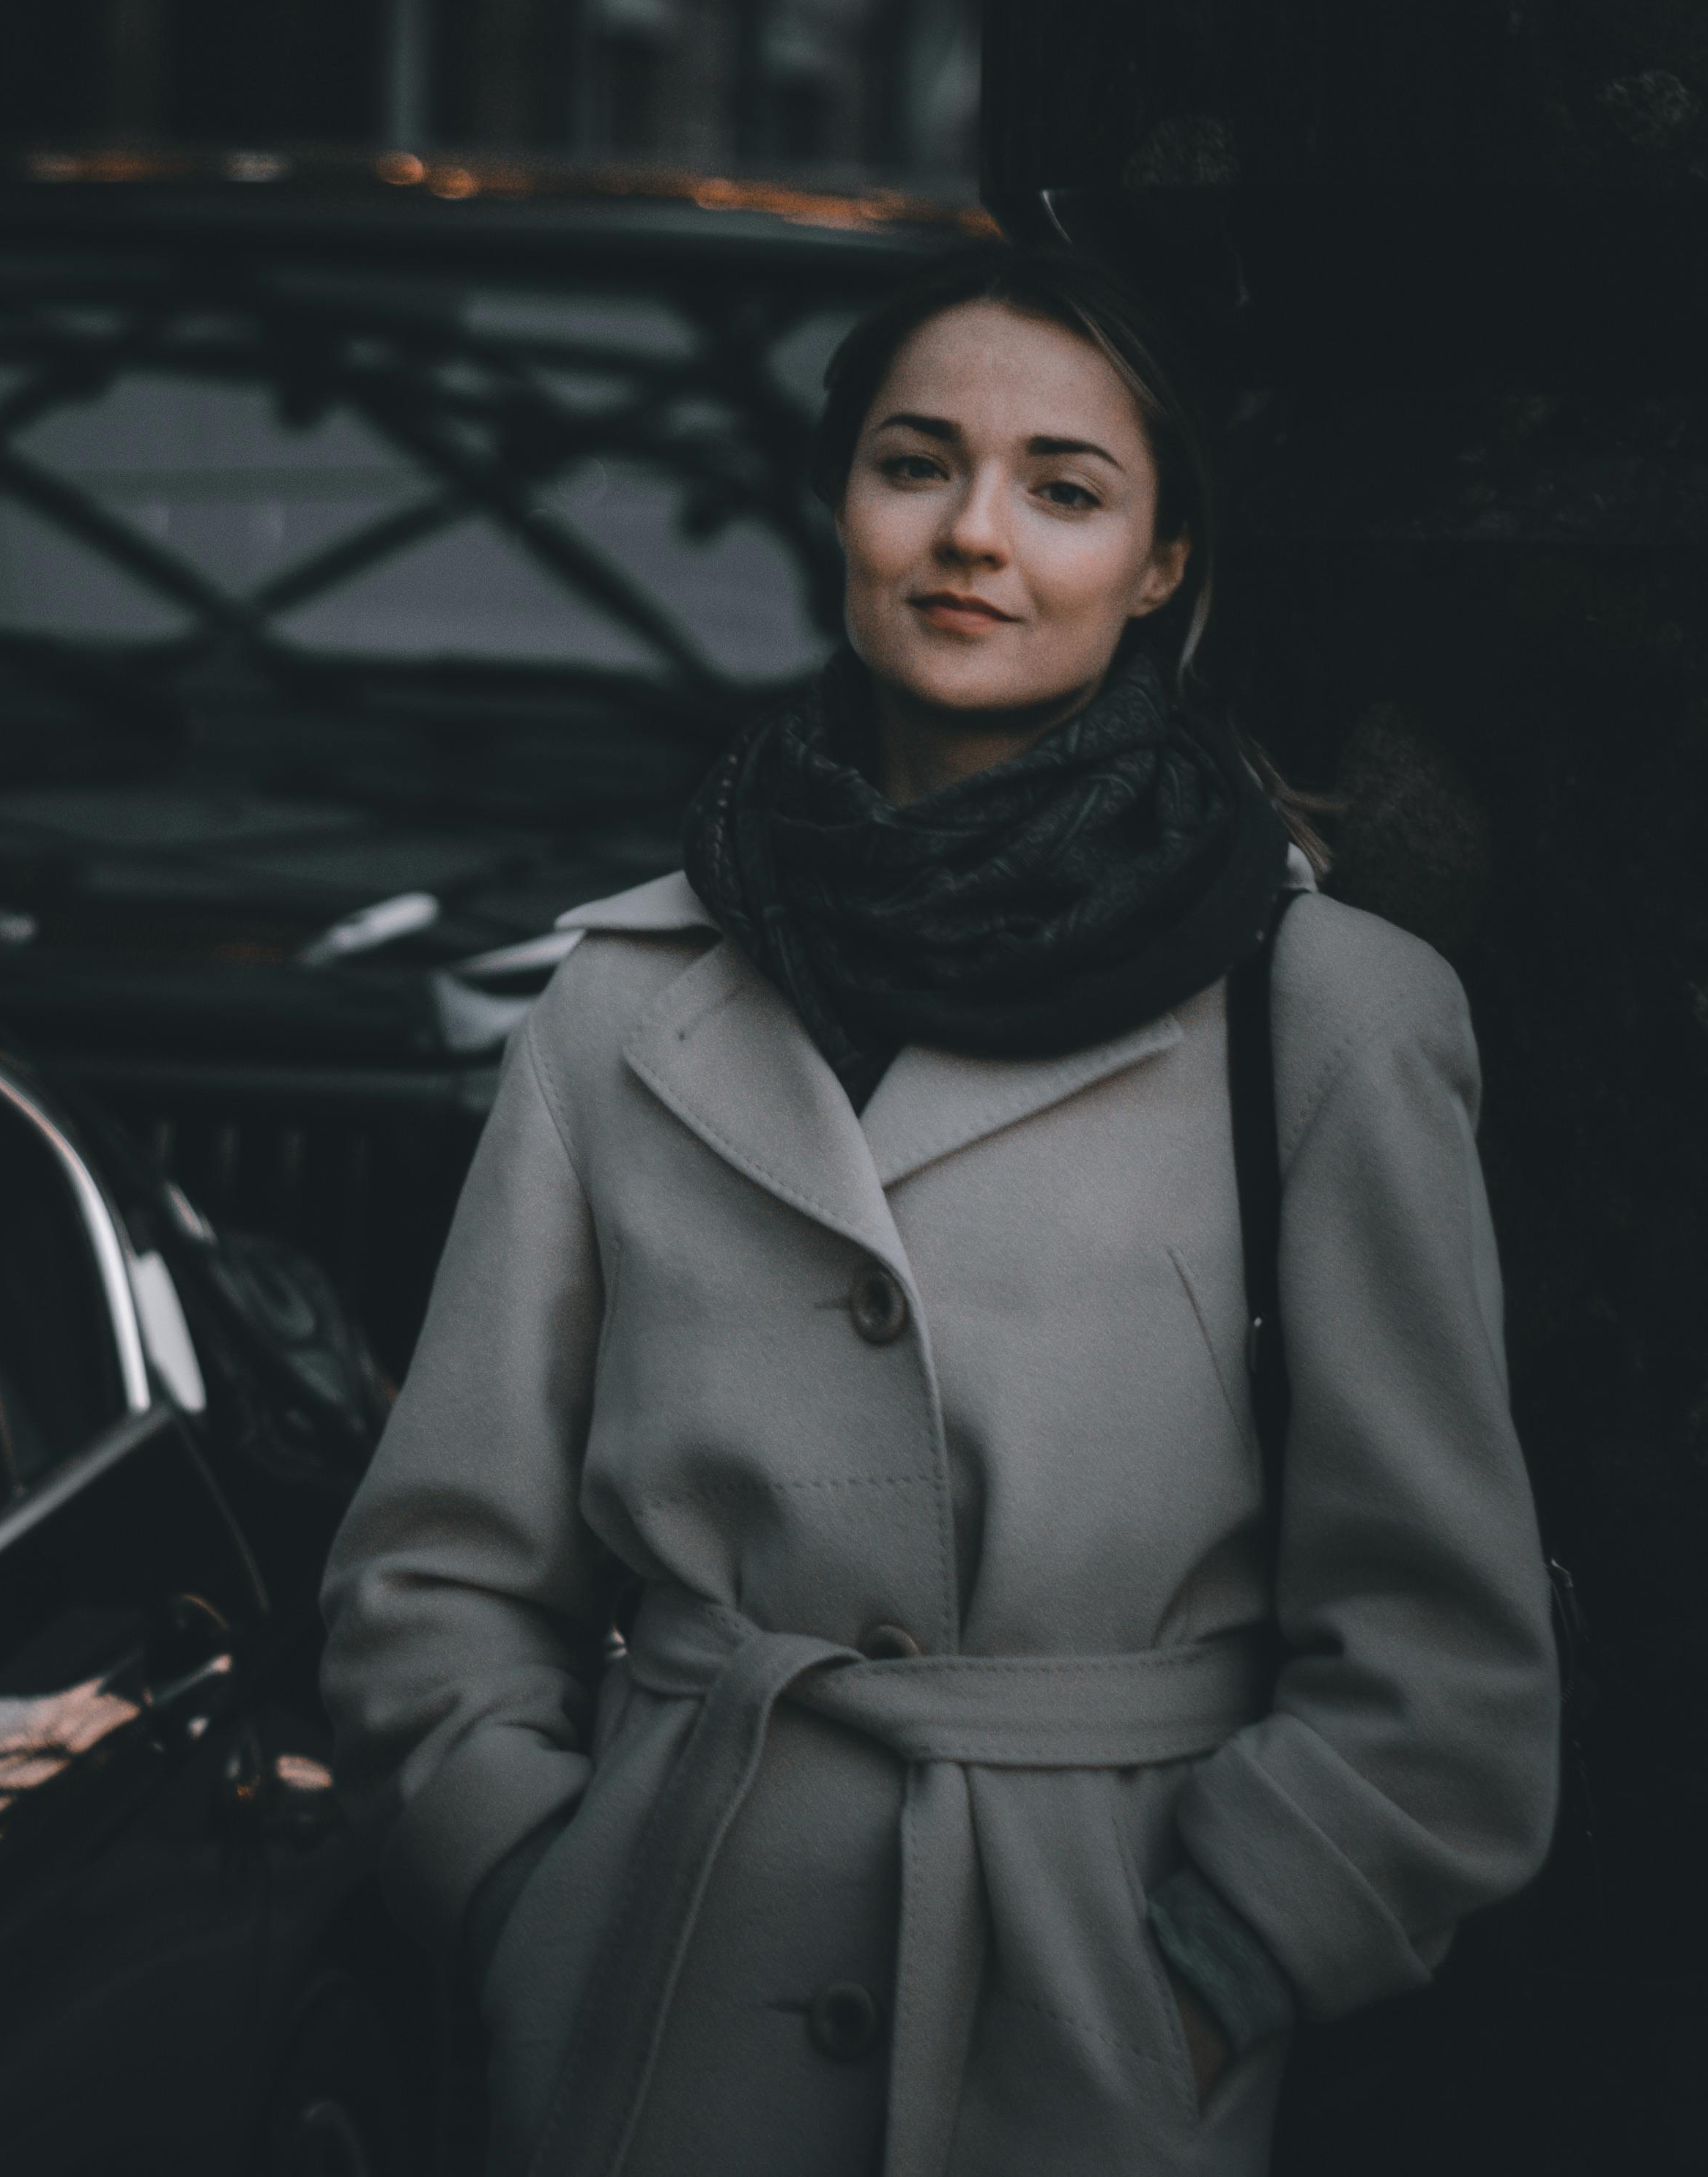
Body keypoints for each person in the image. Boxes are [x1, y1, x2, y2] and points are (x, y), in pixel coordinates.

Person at [319, 244, 1560, 2177]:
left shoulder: (1325, 1017)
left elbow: (1444, 1671)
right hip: (651, 2021)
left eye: (1065, 489)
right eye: (920, 464)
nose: (978, 533)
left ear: (1161, 563)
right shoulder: (622, 999)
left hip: (1089, 2043)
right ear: (839, 501)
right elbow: (438, 1573)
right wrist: (525, 1902)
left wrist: (1208, 1971)